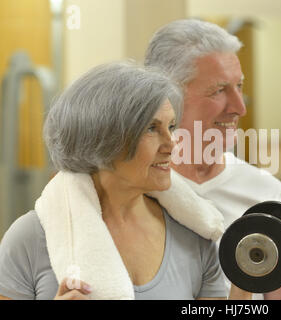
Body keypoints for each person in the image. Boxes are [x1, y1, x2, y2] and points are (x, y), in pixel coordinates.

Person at [144, 19, 281, 299]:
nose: (240, 107)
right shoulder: (132, 187)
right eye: (219, 90)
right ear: (168, 96)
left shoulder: (264, 192)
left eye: (239, 86)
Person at [0, 62, 236, 300]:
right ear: (102, 139)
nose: (172, 143)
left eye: (171, 126)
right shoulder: (29, 238)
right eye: (151, 128)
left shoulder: (194, 235)